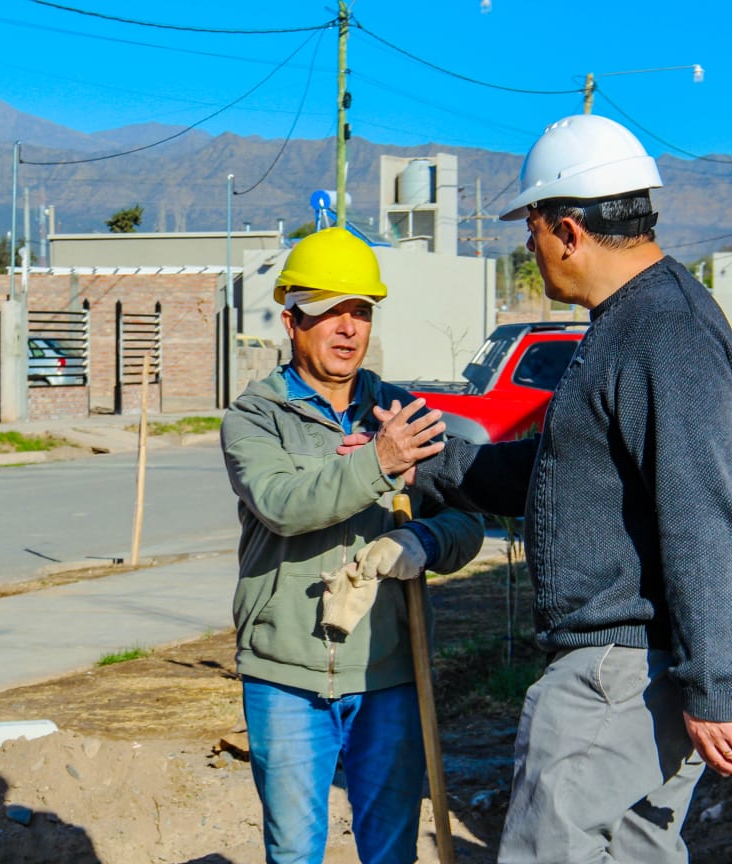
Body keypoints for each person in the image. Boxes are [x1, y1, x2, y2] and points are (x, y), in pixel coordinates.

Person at [353, 115, 732, 863]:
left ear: (571, 231)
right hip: (640, 665)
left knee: (547, 850)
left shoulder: (663, 332)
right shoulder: (633, 322)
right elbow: (558, 477)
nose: (529, 246)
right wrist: (427, 463)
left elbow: (705, 515)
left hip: (620, 672)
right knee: (637, 852)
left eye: (533, 229)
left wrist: (713, 684)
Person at [220, 226, 485, 864]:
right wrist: (378, 463)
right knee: (294, 851)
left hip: (386, 669)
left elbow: (467, 522)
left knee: (391, 850)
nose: (347, 329)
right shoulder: (255, 417)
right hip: (284, 674)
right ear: (292, 321)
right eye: (329, 312)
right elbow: (283, 504)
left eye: (360, 312)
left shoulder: (402, 414)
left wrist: (423, 539)